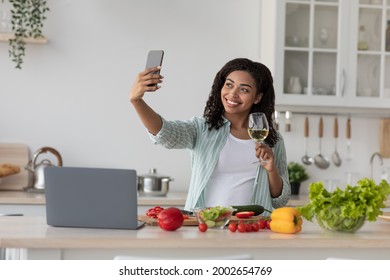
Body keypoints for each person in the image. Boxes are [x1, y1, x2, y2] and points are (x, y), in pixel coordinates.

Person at [130, 58, 290, 214]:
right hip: (206, 225)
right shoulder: (201, 129)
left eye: (244, 89)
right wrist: (137, 100)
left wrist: (271, 170)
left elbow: (280, 199)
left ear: (257, 97)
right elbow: (165, 133)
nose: (232, 94)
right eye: (229, 85)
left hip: (253, 228)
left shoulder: (272, 139)